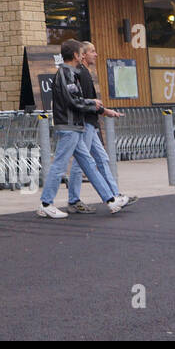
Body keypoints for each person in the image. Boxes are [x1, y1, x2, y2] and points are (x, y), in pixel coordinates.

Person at [36, 39, 130, 218]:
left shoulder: (70, 73)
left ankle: (111, 200)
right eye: (81, 53)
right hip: (69, 126)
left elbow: (74, 99)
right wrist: (92, 102)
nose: (83, 56)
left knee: (89, 163)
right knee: (60, 165)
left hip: (75, 127)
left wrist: (91, 104)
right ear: (75, 55)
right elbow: (73, 100)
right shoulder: (66, 73)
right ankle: (46, 203)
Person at [64, 42, 137, 211]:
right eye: (92, 51)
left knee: (102, 159)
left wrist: (105, 111)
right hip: (86, 123)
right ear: (82, 55)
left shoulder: (85, 73)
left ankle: (115, 194)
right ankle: (74, 200)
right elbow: (84, 102)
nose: (96, 54)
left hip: (91, 122)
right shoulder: (81, 74)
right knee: (81, 162)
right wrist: (105, 111)